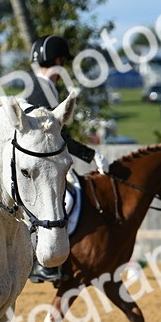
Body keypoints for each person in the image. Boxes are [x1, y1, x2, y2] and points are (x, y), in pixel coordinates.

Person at [22, 35, 110, 282]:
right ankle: (41, 262)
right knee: (63, 200)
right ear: (57, 60)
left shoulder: (45, 87)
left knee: (69, 197)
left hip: (46, 161)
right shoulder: (40, 90)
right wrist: (91, 154)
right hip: (38, 163)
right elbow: (58, 137)